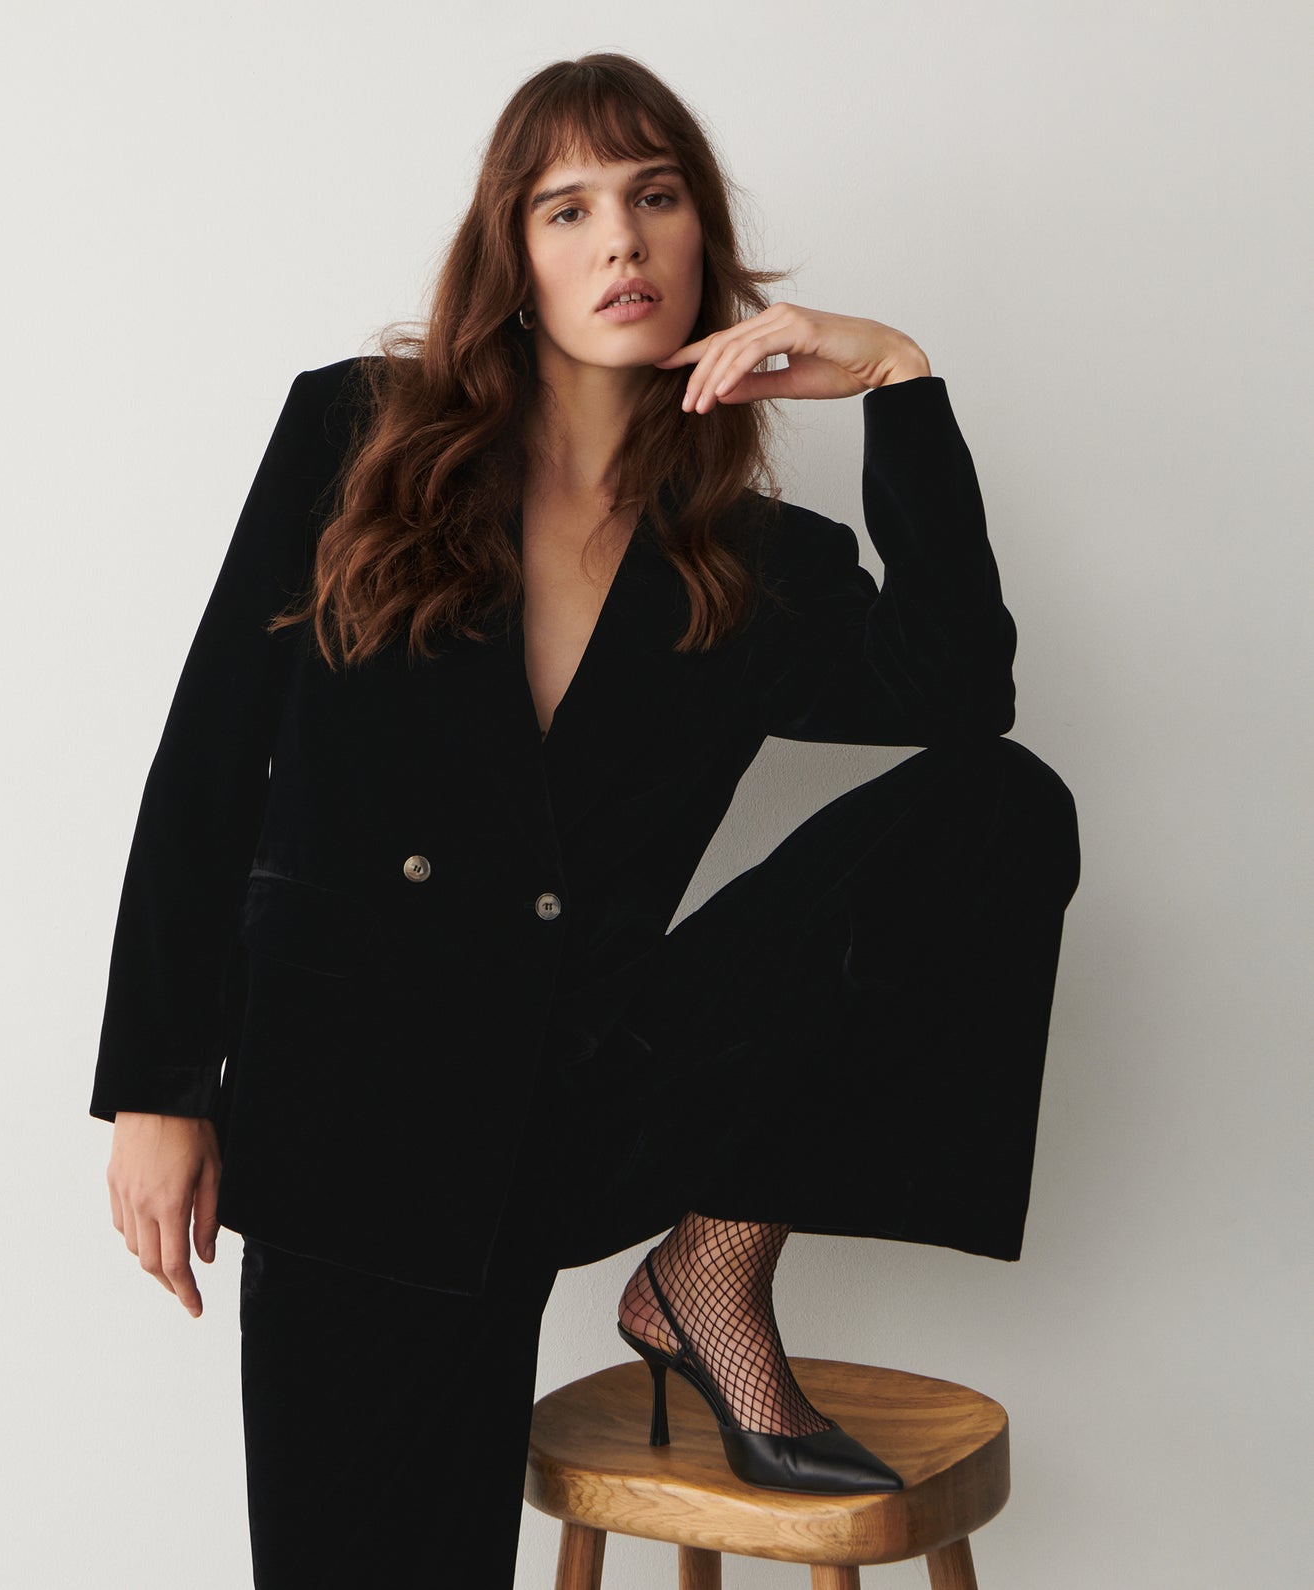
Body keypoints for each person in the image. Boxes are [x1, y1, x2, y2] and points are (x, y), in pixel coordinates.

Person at [91, 52, 1081, 1588]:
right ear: (514, 254)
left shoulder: (749, 558)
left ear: (700, 243)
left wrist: (896, 376)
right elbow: (210, 755)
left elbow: (961, 696)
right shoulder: (357, 434)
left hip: (577, 1096)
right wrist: (159, 1085)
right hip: (354, 1110)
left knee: (997, 808)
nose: (619, 238)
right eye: (568, 208)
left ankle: (707, 1269)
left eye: (654, 196)